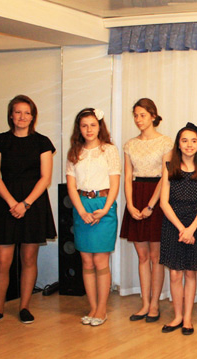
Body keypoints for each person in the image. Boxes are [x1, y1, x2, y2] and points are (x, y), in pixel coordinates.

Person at [0, 95, 57, 326]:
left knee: (29, 258)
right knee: (3, 260)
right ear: (11, 115)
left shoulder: (42, 142)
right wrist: (12, 202)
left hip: (33, 204)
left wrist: (25, 204)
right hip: (5, 203)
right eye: (18, 112)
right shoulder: (0, 140)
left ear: (33, 116)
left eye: (27, 112)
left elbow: (45, 178)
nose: (22, 117)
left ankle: (24, 307)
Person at [120, 98, 174, 323]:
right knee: (142, 256)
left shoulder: (165, 142)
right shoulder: (130, 144)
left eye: (142, 115)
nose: (138, 119)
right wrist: (130, 204)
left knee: (155, 256)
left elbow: (165, 176)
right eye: (135, 115)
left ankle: (154, 304)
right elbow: (127, 177)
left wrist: (151, 205)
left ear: (153, 116)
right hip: (136, 195)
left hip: (157, 197)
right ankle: (144, 303)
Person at [66, 108, 120, 327]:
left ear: (100, 126)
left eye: (93, 125)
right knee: (86, 260)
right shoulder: (74, 152)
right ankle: (92, 307)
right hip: (82, 206)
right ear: (79, 128)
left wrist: (105, 209)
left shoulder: (109, 150)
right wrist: (81, 211)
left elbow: (114, 183)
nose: (89, 129)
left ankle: (102, 309)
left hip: (103, 205)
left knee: (100, 260)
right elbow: (71, 186)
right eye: (84, 126)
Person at [159, 123, 197, 335]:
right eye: (184, 140)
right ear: (178, 144)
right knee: (174, 274)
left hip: (196, 224)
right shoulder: (169, 167)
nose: (189, 145)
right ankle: (178, 316)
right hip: (174, 224)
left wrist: (191, 230)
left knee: (190, 273)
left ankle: (188, 318)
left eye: (193, 141)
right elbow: (164, 202)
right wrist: (182, 229)